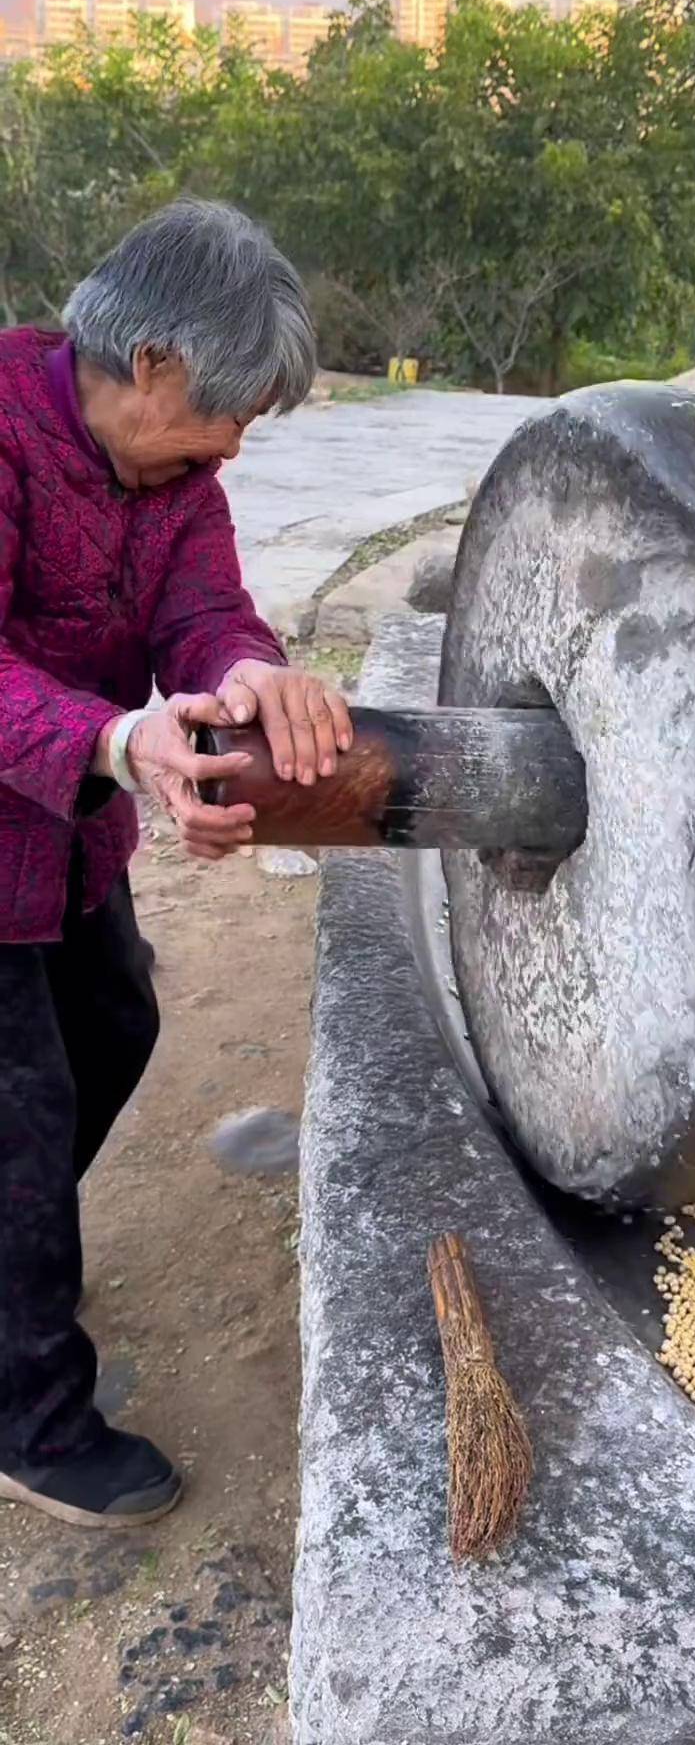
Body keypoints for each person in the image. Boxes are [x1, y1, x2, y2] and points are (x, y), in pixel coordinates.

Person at [0, 199, 353, 1529]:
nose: (233, 449)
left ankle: (13, 1267)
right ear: (151, 364)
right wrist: (118, 739)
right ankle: (29, 1419)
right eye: (229, 415)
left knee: (117, 1024)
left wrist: (247, 673)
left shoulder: (174, 480)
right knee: (20, 1120)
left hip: (67, 839)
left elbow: (204, 610)